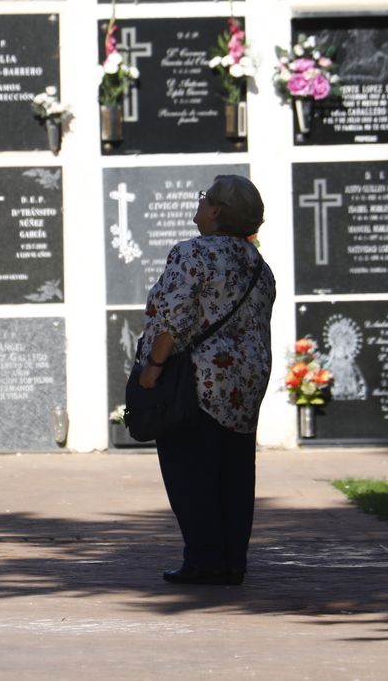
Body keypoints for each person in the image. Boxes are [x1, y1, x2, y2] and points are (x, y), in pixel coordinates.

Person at [136, 174, 276, 586]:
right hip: (245, 382)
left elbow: (174, 317)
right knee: (235, 472)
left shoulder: (191, 254)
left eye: (204, 199)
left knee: (190, 471)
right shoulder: (257, 264)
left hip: (196, 381)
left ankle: (203, 559)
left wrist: (154, 367)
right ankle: (233, 561)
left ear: (216, 210)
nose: (199, 205)